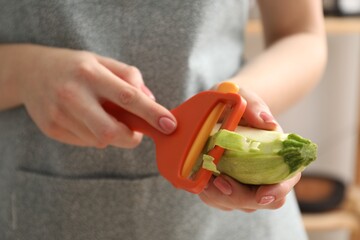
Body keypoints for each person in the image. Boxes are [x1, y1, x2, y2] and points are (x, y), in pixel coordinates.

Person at [0, 0, 326, 239]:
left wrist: (237, 102)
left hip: (233, 226)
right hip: (36, 215)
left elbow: (301, 34)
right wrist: (26, 72)